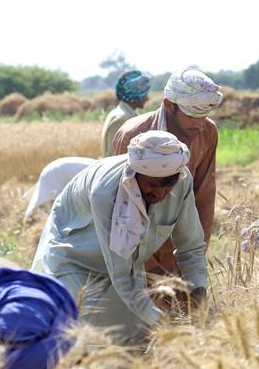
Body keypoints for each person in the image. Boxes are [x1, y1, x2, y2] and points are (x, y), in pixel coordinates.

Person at [33, 130, 208, 343]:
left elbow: (191, 247)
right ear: (133, 175)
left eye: (167, 188)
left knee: (134, 339)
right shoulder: (105, 193)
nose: (160, 195)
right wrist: (163, 322)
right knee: (91, 339)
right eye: (152, 187)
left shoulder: (182, 179)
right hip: (76, 258)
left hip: (121, 266)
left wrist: (198, 291)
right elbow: (122, 275)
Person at [113, 68, 222, 276]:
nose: (200, 124)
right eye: (192, 115)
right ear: (169, 106)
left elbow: (204, 196)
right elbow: (124, 209)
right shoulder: (132, 135)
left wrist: (194, 256)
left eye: (204, 115)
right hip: (134, 239)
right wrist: (155, 264)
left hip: (178, 230)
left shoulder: (208, 132)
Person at [23, 156, 96, 221]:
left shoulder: (98, 168)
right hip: (56, 172)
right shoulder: (98, 172)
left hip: (57, 169)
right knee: (56, 202)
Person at [100, 70, 152, 157]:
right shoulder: (122, 118)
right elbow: (115, 157)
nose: (147, 98)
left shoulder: (123, 113)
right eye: (144, 93)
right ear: (135, 94)